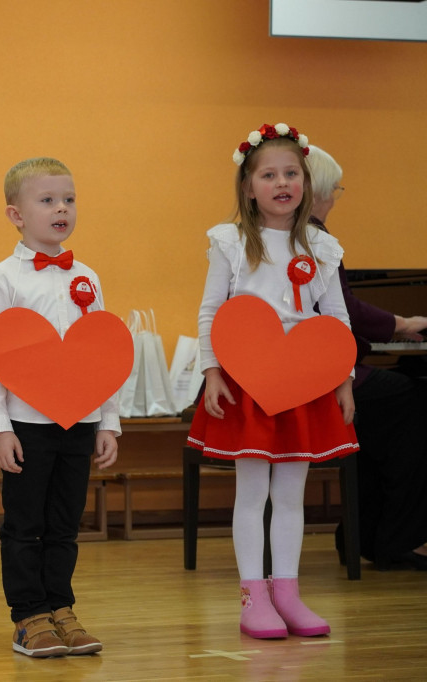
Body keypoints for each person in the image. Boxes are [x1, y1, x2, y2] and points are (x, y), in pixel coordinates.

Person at [188, 124, 360, 640]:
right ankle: (252, 596)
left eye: (291, 173)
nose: (281, 182)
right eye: (269, 174)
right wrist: (211, 369)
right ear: (248, 186)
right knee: (252, 490)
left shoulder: (323, 250)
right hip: (249, 380)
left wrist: (344, 379)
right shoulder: (232, 242)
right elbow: (211, 311)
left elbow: (337, 319)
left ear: (305, 182)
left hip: (305, 382)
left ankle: (287, 592)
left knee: (291, 494)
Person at [0, 157, 120, 658]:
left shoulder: (88, 277)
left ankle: (62, 607)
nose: (61, 209)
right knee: (24, 523)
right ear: (16, 214)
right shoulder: (4, 278)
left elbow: (104, 353)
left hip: (80, 421)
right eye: (48, 200)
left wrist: (108, 421)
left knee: (65, 522)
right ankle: (28, 616)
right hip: (26, 424)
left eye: (69, 199)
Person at [305, 145, 427, 571]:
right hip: (323, 377)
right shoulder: (315, 238)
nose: (336, 197)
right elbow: (348, 309)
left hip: (317, 371)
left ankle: (361, 536)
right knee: (409, 404)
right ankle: (401, 539)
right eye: (335, 188)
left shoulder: (292, 235)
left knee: (383, 422)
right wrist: (404, 322)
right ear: (319, 191)